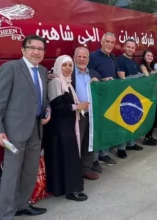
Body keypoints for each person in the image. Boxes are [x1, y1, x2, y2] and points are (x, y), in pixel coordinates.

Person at [0, 35, 50, 219]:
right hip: (14, 131)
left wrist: (48, 110)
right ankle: (6, 214)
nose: (36, 52)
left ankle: (23, 205)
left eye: (40, 49)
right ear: (23, 50)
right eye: (32, 47)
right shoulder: (11, 68)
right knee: (11, 175)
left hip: (36, 130)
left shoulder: (42, 71)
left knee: (30, 171)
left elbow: (43, 98)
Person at [44, 55, 88, 201]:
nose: (68, 68)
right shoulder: (56, 82)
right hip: (60, 129)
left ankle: (65, 188)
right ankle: (71, 190)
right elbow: (58, 108)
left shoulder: (66, 82)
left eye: (70, 65)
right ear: (58, 66)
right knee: (68, 158)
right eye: (65, 65)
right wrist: (77, 106)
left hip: (67, 127)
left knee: (66, 158)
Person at [88, 32, 117, 169]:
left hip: (110, 97)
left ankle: (104, 154)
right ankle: (94, 159)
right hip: (97, 98)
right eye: (107, 41)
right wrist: (102, 80)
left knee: (107, 126)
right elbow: (88, 73)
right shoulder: (93, 56)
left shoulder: (112, 57)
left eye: (112, 42)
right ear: (101, 41)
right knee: (97, 129)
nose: (110, 45)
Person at [71, 47, 101, 180]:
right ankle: (74, 170)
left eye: (85, 57)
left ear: (88, 59)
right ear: (74, 57)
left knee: (89, 142)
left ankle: (86, 169)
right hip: (76, 115)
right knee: (75, 143)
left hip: (92, 114)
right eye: (79, 56)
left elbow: (101, 93)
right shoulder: (68, 72)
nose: (82, 59)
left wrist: (100, 85)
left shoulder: (94, 74)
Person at [116, 39, 145, 158]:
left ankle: (131, 143)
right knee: (123, 123)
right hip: (124, 96)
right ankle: (121, 148)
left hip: (133, 95)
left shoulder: (133, 61)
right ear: (124, 47)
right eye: (128, 47)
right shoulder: (120, 60)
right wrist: (138, 76)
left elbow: (140, 77)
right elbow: (123, 79)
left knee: (132, 121)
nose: (130, 49)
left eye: (132, 48)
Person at [140, 50, 157, 146]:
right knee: (149, 117)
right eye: (148, 55)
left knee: (154, 117)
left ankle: (150, 136)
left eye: (151, 55)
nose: (150, 57)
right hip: (147, 95)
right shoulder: (143, 67)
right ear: (144, 56)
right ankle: (146, 138)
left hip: (154, 93)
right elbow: (149, 79)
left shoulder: (151, 67)